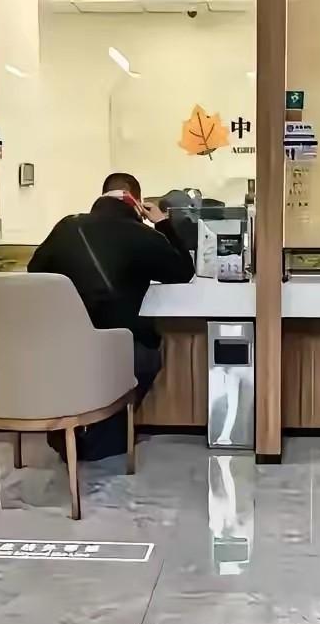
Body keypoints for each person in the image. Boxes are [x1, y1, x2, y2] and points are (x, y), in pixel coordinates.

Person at [28, 172, 195, 460]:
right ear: (137, 202)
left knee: (88, 365)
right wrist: (162, 223)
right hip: (121, 347)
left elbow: (35, 271)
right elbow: (183, 272)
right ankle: (99, 439)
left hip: (66, 347)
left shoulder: (68, 227)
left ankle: (74, 430)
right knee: (147, 356)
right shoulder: (142, 235)